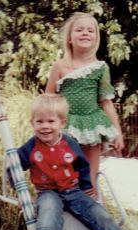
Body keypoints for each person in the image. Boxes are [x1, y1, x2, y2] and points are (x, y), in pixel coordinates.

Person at [10, 93, 138, 230]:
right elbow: (13, 168)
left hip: (72, 190)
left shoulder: (69, 143)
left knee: (98, 213)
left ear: (62, 122)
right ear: (32, 123)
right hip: (47, 193)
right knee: (48, 217)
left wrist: (87, 187)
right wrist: (21, 194)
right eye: (40, 121)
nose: (45, 126)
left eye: (51, 121)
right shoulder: (30, 148)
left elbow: (82, 165)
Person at [45, 12, 125, 199]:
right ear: (70, 38)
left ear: (96, 37)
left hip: (92, 124)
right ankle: (60, 205)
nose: (85, 33)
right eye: (79, 29)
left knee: (90, 176)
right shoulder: (60, 67)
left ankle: (90, 210)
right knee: (62, 170)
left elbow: (106, 101)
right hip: (66, 125)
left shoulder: (101, 68)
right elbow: (48, 98)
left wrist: (118, 132)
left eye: (91, 30)